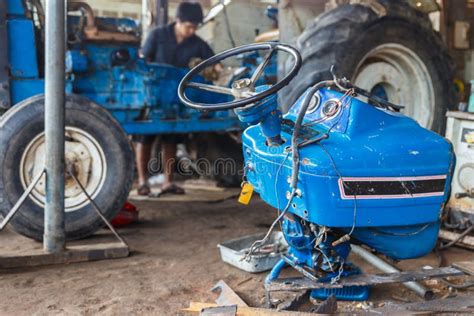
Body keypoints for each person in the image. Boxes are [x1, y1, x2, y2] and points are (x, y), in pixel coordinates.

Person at [135, 2, 215, 196]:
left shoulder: (197, 43)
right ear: (177, 21)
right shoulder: (157, 35)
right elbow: (142, 62)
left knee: (170, 139)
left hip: (177, 100)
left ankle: (168, 182)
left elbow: (214, 63)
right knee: (145, 138)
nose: (192, 30)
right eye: (189, 26)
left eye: (195, 27)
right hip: (152, 97)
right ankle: (142, 181)